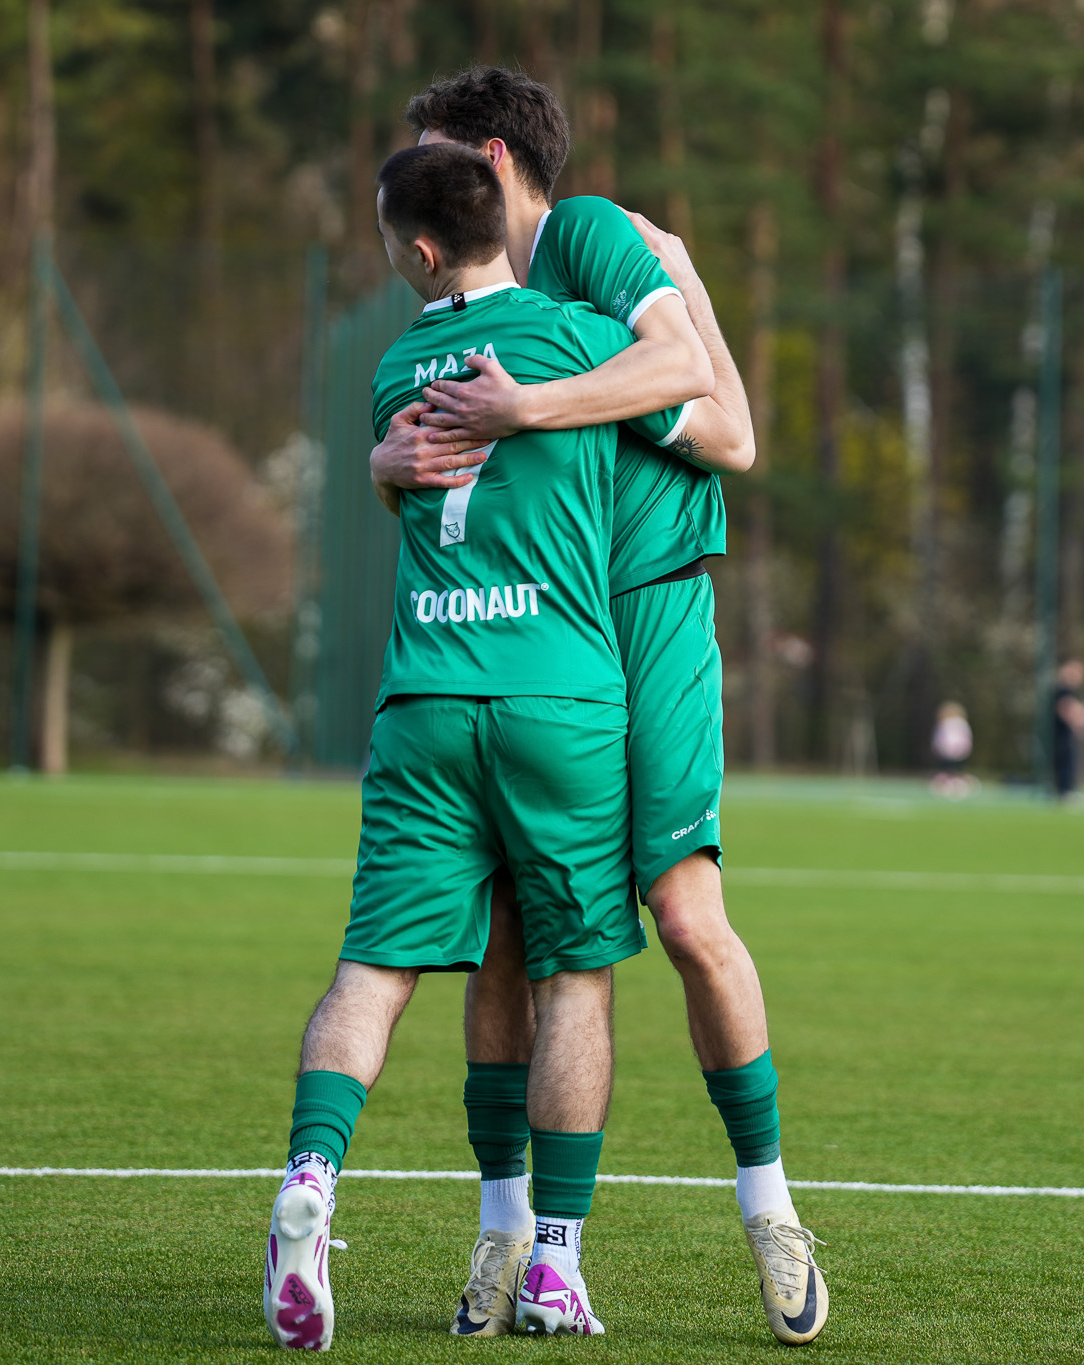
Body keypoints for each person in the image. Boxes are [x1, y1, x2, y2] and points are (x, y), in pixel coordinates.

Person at [370, 68, 827, 1348]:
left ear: (491, 158)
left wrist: (545, 396)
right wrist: (383, 464)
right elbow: (427, 464)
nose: (420, 176)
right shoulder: (469, 305)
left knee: (685, 918)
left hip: (649, 611)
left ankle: (770, 1206)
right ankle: (508, 1234)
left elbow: (727, 429)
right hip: (535, 635)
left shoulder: (581, 234)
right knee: (512, 936)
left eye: (436, 150)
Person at [263, 141, 690, 1350]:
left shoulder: (395, 366)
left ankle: (310, 1174)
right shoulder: (581, 337)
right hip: (561, 703)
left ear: (418, 251)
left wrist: (377, 466)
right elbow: (698, 395)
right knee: (573, 982)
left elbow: (403, 475)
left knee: (371, 971)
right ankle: (553, 1265)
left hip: (425, 700)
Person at [1052, 658, 1084, 801]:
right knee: (1065, 761)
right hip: (1060, 735)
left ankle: (1069, 789)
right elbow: (1066, 709)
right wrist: (1081, 722)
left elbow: (1079, 707)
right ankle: (1064, 792)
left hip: (1068, 735)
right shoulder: (1063, 690)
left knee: (1072, 762)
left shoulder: (1073, 691)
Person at [930, 701, 974, 798]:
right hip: (954, 751)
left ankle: (953, 787)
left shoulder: (952, 723)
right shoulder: (957, 723)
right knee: (953, 771)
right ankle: (952, 787)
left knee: (950, 771)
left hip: (950, 751)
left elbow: (940, 738)